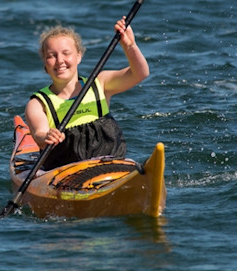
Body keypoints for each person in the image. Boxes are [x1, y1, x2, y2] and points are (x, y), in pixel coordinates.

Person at [24, 17, 149, 171]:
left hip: (111, 166)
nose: (60, 60)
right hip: (66, 173)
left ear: (79, 56)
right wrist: (47, 137)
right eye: (51, 55)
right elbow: (39, 134)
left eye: (66, 53)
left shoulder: (100, 84)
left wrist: (130, 46)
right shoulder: (38, 104)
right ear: (45, 62)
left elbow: (140, 73)